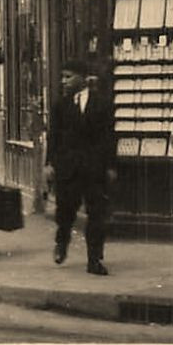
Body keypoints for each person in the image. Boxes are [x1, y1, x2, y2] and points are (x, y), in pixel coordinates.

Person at [45, 58, 114, 275]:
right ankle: (62, 241)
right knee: (65, 211)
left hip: (94, 169)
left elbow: (109, 137)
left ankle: (94, 259)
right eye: (62, 77)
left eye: (68, 77)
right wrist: (49, 164)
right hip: (68, 168)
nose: (63, 81)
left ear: (83, 78)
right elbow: (53, 137)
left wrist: (110, 166)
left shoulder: (102, 103)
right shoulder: (60, 106)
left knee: (97, 214)